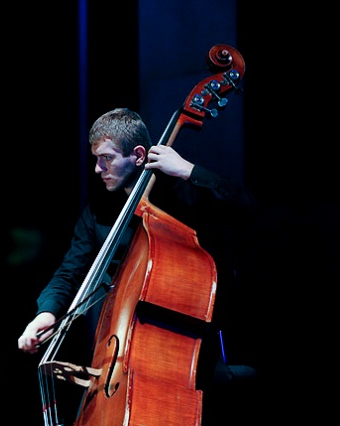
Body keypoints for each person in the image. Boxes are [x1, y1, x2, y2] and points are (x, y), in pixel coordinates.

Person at [17, 107, 258, 424]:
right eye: (96, 158)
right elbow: (70, 271)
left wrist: (188, 169)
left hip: (188, 355)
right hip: (118, 356)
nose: (97, 169)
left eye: (106, 158)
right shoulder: (99, 210)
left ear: (139, 154)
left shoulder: (181, 193)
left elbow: (245, 206)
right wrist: (46, 312)